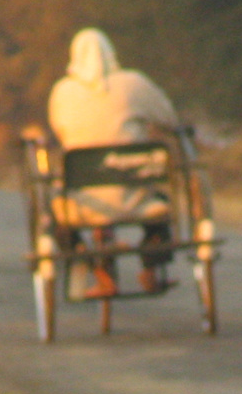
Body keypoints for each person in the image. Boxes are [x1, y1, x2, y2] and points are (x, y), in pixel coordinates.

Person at [47, 28, 179, 296]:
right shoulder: (134, 83)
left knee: (54, 217)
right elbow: (169, 118)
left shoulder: (63, 91)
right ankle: (151, 267)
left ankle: (91, 265)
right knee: (162, 207)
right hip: (136, 197)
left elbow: (60, 131)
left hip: (83, 204)